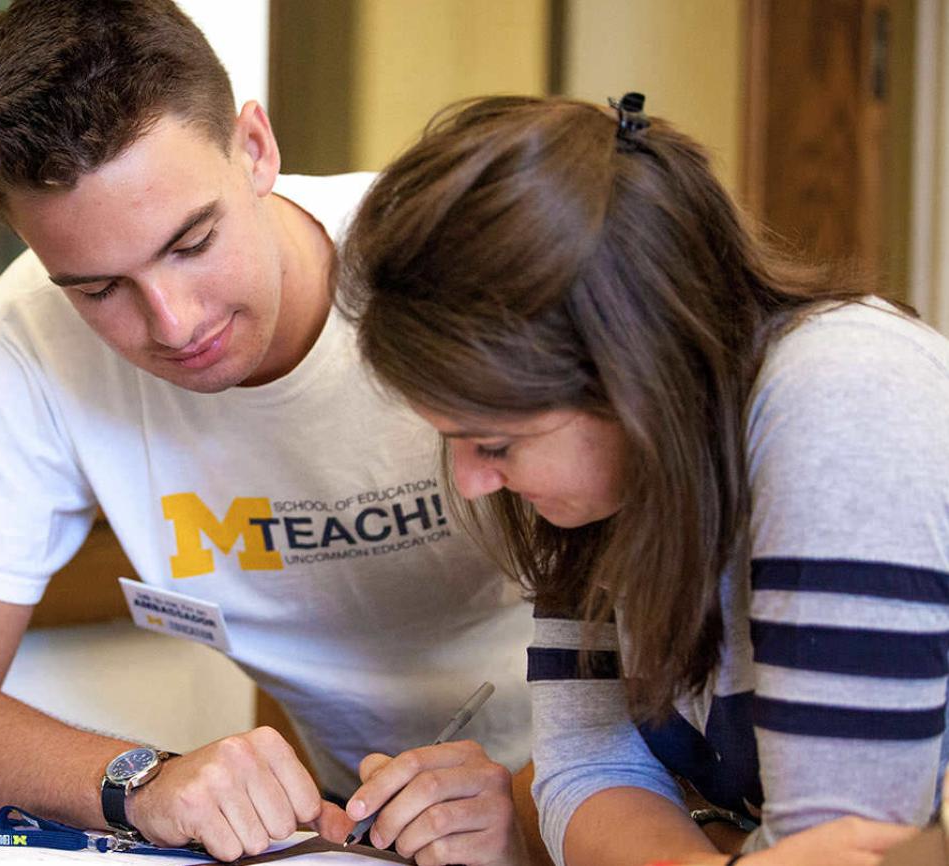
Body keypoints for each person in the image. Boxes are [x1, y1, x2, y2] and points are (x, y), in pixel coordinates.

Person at [0, 2, 537, 864]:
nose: (171, 324)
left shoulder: (443, 259)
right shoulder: (32, 330)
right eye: (99, 290)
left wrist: (534, 806)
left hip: (618, 802)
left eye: (192, 242)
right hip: (357, 838)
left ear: (256, 148)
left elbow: (690, 606)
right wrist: (139, 783)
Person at [343, 93, 949, 866]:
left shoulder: (849, 394)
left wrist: (702, 835)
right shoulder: (610, 485)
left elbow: (853, 849)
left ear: (635, 380)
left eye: (495, 442)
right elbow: (581, 771)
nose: (470, 482)